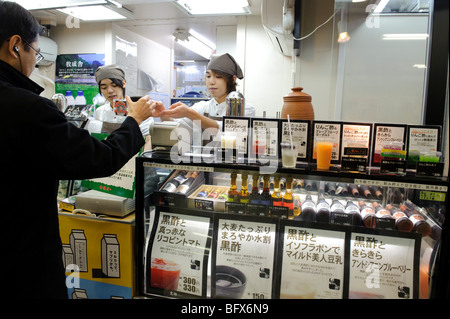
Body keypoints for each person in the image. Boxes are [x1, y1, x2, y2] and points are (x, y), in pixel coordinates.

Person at [0, 1, 161, 299]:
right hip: (21, 265)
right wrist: (135, 121)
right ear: (15, 46)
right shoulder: (27, 108)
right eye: (36, 53)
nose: (35, 62)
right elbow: (99, 157)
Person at [151, 53, 255, 145]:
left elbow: (228, 133)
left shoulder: (246, 110)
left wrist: (189, 113)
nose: (211, 82)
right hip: (204, 165)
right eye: (208, 76)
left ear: (233, 79)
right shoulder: (202, 107)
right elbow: (179, 126)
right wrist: (163, 114)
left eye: (218, 77)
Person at [93, 64, 153, 137]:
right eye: (104, 87)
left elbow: (147, 139)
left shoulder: (139, 110)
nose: (110, 91)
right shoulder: (99, 112)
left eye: (114, 85)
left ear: (123, 83)